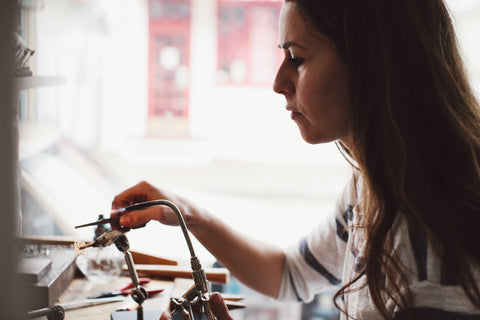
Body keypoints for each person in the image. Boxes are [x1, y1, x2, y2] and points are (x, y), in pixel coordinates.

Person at [111, 0, 480, 319]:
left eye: (297, 58)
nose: (278, 81)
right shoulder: (372, 184)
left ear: (374, 62)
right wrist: (183, 212)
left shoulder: (429, 254)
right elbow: (288, 274)